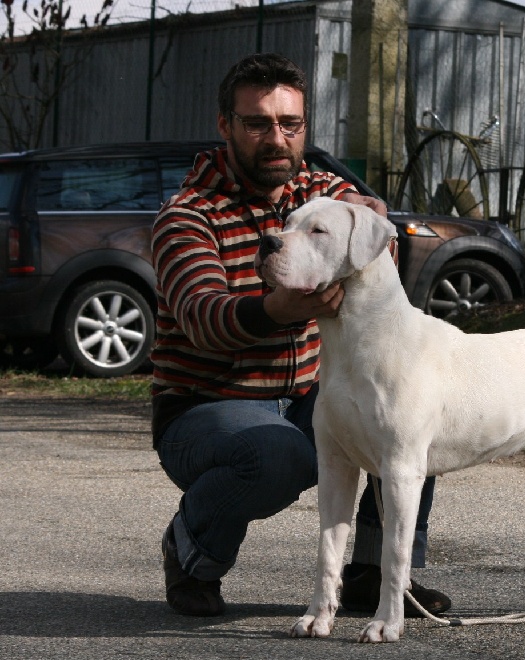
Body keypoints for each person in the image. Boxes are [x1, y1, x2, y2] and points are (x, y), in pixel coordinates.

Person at [150, 52, 450, 618]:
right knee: (279, 454)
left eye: (291, 125)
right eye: (258, 123)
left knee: (409, 411)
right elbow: (203, 317)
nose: (277, 139)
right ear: (225, 126)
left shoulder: (321, 191)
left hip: (308, 395)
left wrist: (370, 215)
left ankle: (374, 574)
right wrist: (277, 310)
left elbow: (373, 234)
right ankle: (191, 553)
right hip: (208, 407)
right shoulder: (187, 215)